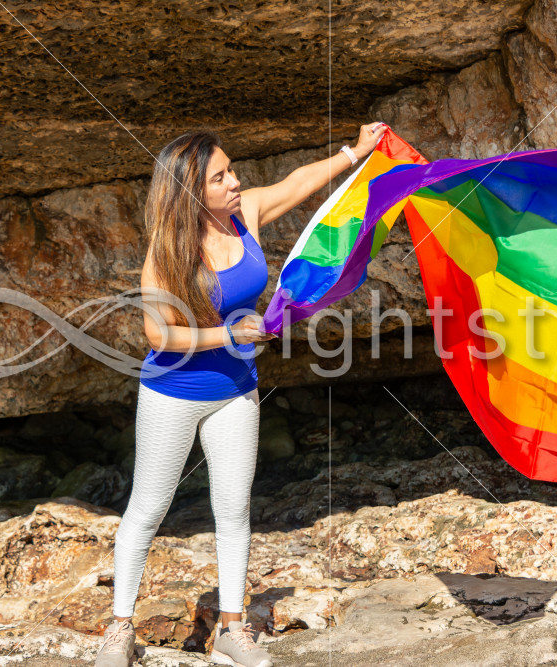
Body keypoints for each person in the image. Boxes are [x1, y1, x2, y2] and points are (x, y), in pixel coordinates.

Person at [95, 121, 388, 667]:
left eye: (231, 171)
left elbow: (297, 184)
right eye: (220, 177)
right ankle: (119, 630)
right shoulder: (167, 249)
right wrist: (229, 335)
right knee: (148, 508)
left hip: (236, 390)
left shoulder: (244, 214)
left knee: (233, 510)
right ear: (190, 191)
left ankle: (232, 629)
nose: (235, 182)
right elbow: (158, 334)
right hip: (173, 392)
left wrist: (357, 152)